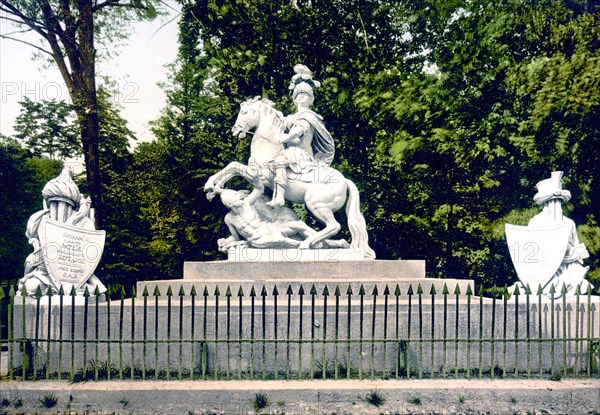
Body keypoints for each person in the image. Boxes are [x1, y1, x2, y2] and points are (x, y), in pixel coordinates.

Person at [267, 64, 335, 207]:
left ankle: (279, 197)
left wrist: (286, 138)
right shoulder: (291, 117)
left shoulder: (308, 116)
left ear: (311, 99)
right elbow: (279, 125)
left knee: (279, 161)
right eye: (299, 95)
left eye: (306, 95)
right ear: (294, 98)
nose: (302, 97)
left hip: (300, 153)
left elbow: (298, 131)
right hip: (290, 151)